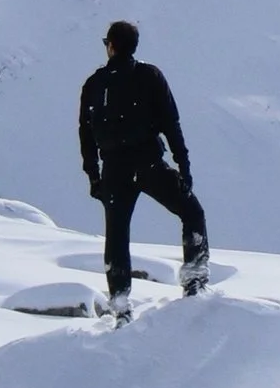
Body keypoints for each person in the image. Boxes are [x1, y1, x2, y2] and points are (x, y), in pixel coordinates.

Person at [78, 18, 209, 314]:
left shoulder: (94, 84)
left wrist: (94, 177)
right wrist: (183, 166)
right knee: (191, 211)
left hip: (113, 170)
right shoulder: (149, 76)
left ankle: (121, 306)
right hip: (148, 163)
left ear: (110, 46)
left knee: (117, 236)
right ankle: (194, 283)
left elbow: (85, 134)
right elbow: (170, 124)